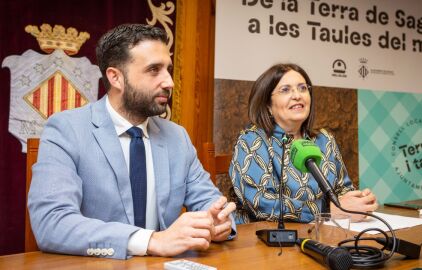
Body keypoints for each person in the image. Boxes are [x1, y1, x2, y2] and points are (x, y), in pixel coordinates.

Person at [28, 24, 236, 260]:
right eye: (154, 70)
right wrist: (151, 241)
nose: (169, 82)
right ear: (115, 77)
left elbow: (210, 202)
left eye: (168, 69)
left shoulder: (177, 137)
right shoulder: (66, 130)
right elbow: (52, 224)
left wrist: (219, 222)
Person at [229, 63, 377, 224]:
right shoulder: (253, 141)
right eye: (285, 90)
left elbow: (342, 190)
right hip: (263, 240)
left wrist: (360, 202)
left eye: (302, 88)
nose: (297, 95)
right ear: (268, 106)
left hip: (322, 234)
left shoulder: (324, 140)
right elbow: (261, 203)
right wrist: (327, 210)